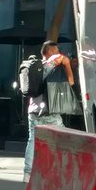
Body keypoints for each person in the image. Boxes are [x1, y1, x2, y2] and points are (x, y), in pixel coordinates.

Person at [25, 41, 75, 177]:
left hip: (33, 111)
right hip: (48, 112)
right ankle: (65, 170)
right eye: (57, 51)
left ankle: (28, 173)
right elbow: (71, 81)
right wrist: (67, 63)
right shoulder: (52, 64)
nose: (59, 53)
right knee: (64, 138)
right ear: (51, 52)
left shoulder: (36, 67)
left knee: (32, 140)